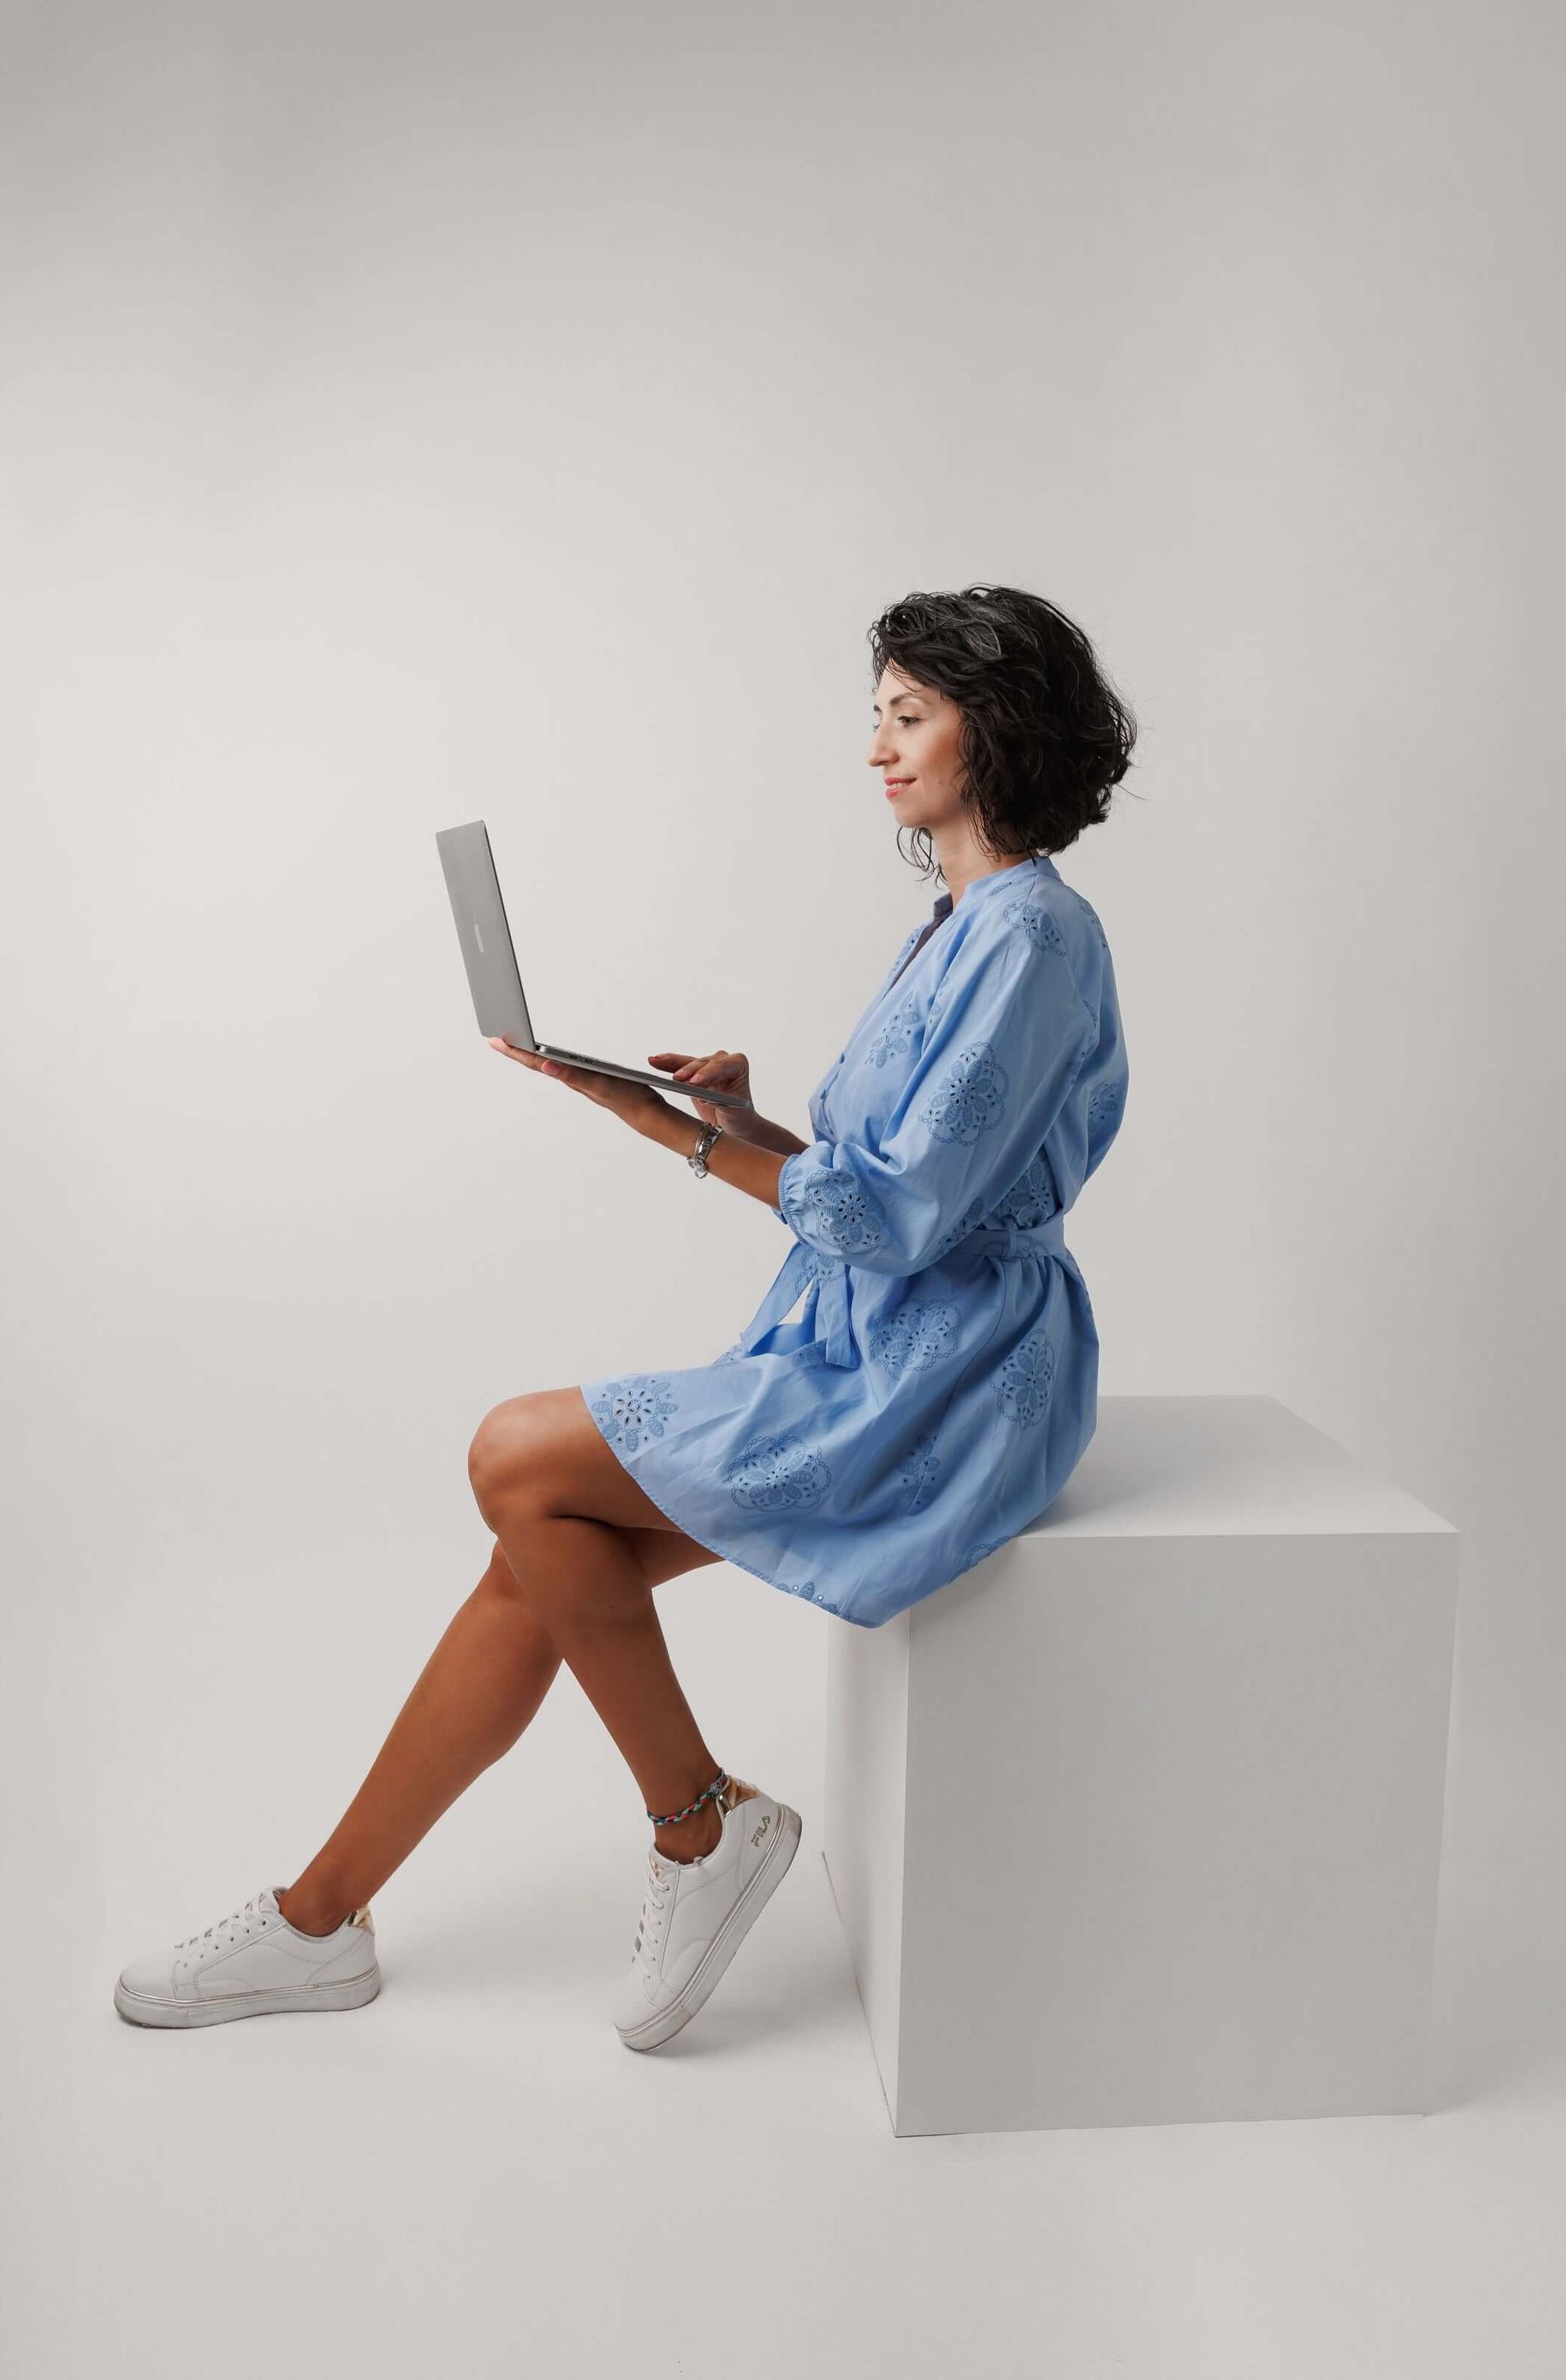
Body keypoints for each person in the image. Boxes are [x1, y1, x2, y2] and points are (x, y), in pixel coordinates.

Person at [112, 584, 1135, 2053]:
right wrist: (735, 1114)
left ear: (1002, 725)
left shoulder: (1032, 936)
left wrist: (665, 1131)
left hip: (952, 1369)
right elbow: (897, 1181)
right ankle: (318, 1920)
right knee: (536, 1560)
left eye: (909, 716)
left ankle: (697, 1826)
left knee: (513, 1458)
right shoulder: (961, 921)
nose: (879, 751)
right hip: (877, 1335)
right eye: (880, 717)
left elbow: (907, 1223)